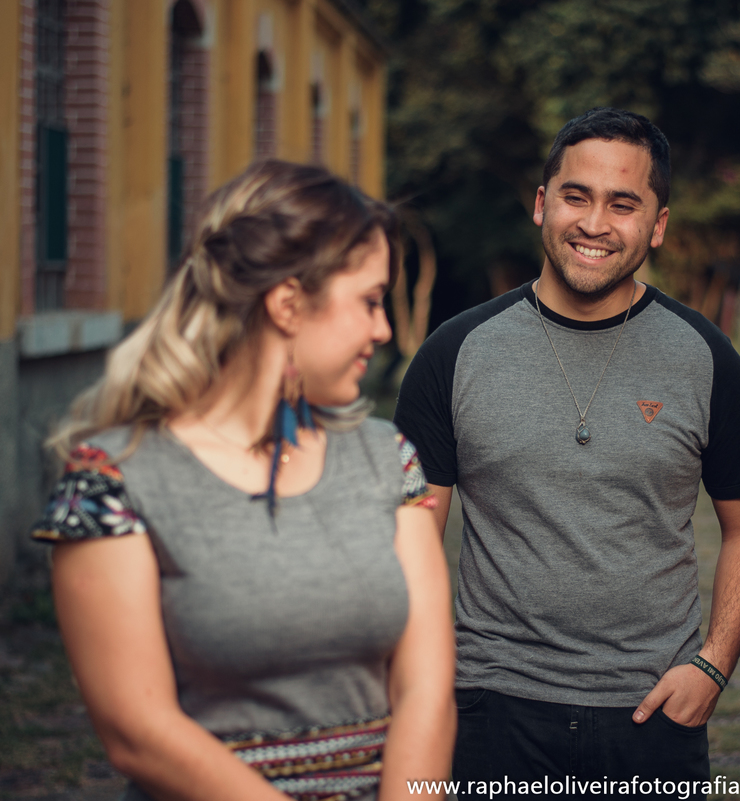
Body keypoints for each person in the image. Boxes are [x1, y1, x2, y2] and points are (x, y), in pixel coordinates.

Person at [32, 160, 456, 801]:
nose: (384, 330)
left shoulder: (386, 456)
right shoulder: (112, 481)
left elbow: (427, 689)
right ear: (288, 303)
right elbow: (137, 730)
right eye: (369, 302)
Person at [393, 108, 740, 797]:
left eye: (623, 204)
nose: (595, 223)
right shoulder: (454, 354)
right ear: (543, 204)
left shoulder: (706, 359)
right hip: (492, 707)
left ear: (657, 224)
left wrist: (713, 665)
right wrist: (429, 683)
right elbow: (409, 536)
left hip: (654, 713)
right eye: (576, 196)